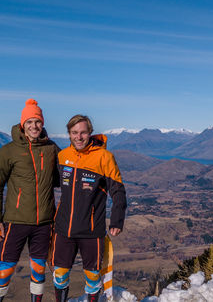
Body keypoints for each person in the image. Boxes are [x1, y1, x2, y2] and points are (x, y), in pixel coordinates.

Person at [0, 99, 60, 302]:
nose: (34, 126)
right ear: (22, 125)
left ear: (42, 123)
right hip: (15, 222)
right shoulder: (8, 151)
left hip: (43, 223)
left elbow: (65, 176)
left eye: (37, 121)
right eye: (29, 122)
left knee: (38, 270)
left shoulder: (51, 148)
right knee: (5, 270)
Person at [51, 115, 127, 302]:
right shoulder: (62, 156)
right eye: (74, 132)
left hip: (91, 230)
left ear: (90, 133)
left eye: (83, 132)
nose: (79, 137)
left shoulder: (104, 157)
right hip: (63, 229)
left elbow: (118, 191)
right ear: (69, 134)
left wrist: (117, 220)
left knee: (93, 278)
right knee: (59, 275)